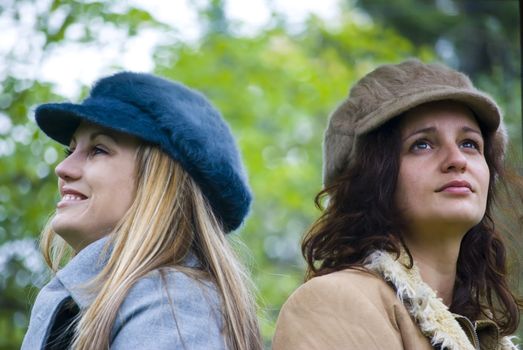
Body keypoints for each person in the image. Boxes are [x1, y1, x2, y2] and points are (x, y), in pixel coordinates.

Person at [272, 59, 521, 350]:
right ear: (371, 177)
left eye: (469, 143)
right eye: (422, 144)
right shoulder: (332, 301)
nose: (457, 159)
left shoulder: (480, 331)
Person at [22, 72, 262, 350]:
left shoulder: (172, 303)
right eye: (70, 150)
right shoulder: (86, 297)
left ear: (160, 184)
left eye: (98, 149)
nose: (62, 169)